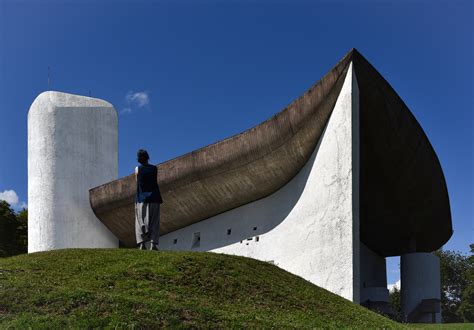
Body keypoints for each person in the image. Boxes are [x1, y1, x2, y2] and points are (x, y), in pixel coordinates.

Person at [135, 149, 163, 250]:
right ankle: (153, 244)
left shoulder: (137, 169)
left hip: (141, 198)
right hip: (154, 197)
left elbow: (137, 181)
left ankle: (142, 243)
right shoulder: (154, 168)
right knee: (154, 221)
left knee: (139, 221)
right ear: (148, 157)